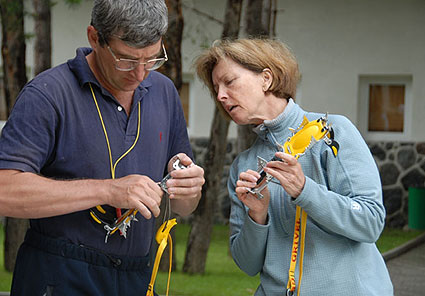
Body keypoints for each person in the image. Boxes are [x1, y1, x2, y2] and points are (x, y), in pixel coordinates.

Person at [0, 0, 204, 295]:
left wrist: (190, 190)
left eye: (151, 59)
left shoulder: (165, 92)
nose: (140, 74)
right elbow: (5, 190)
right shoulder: (47, 94)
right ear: (94, 37)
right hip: (59, 275)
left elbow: (185, 206)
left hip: (137, 276)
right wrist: (108, 190)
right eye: (126, 60)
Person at [194, 38, 393, 296]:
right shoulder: (243, 166)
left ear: (266, 78)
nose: (220, 95)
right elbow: (247, 264)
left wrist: (304, 191)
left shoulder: (331, 132)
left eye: (229, 82)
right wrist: (257, 216)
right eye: (216, 88)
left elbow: (370, 222)